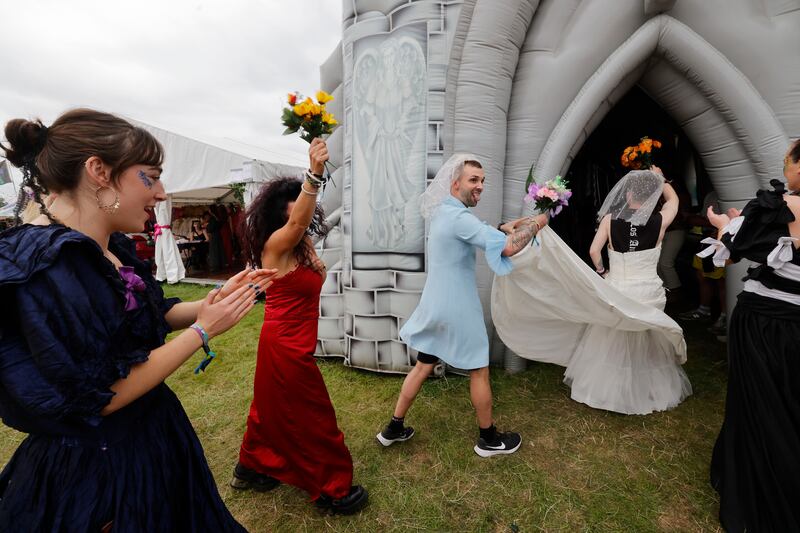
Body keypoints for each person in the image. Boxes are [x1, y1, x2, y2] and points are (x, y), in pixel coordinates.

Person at [0, 109, 276, 531]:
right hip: (101, 462)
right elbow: (102, 396)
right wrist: (203, 331)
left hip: (151, 433)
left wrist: (211, 303)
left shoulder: (109, 246)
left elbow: (153, 311)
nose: (162, 193)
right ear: (99, 171)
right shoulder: (53, 263)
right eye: (151, 176)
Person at [376, 154, 548, 457]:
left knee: (422, 365)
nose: (480, 186)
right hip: (457, 308)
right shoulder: (460, 219)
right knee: (479, 369)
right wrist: (538, 222)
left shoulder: (445, 212)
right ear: (455, 184)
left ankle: (393, 428)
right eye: (473, 180)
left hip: (435, 305)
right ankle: (489, 440)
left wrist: (502, 227)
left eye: (483, 181)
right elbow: (507, 248)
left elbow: (477, 233)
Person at [233, 138, 368, 514]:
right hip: (284, 346)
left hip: (292, 342)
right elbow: (297, 220)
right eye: (296, 207)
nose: (304, 215)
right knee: (312, 417)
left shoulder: (302, 244)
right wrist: (315, 172)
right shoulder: (276, 244)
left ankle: (251, 466)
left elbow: (303, 223)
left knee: (268, 410)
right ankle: (332, 489)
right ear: (282, 214)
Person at [492, 168, 691, 415]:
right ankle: (647, 390)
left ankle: (609, 392)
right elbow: (674, 201)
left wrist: (602, 272)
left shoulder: (610, 220)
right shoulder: (660, 221)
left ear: (628, 194)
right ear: (653, 196)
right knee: (646, 339)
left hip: (618, 289)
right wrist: (661, 179)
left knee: (612, 339)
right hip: (648, 292)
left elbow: (594, 251)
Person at [702, 140, 800, 532]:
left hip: (766, 324)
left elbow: (735, 248)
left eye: (788, 163)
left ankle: (765, 491)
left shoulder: (783, 205)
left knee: (761, 402)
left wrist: (726, 227)